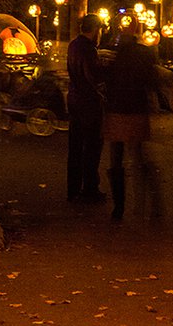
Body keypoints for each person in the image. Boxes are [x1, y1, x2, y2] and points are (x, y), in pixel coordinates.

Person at [102, 18, 162, 220]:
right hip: (136, 108)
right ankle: (148, 202)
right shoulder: (145, 54)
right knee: (139, 156)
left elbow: (105, 78)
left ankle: (119, 207)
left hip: (116, 109)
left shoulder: (113, 55)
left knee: (116, 158)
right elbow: (153, 80)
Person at [66, 14, 105, 203]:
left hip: (74, 99)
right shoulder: (89, 49)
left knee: (75, 146)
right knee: (91, 147)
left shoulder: (73, 45)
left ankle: (72, 188)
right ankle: (90, 188)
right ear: (96, 30)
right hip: (88, 103)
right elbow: (92, 76)